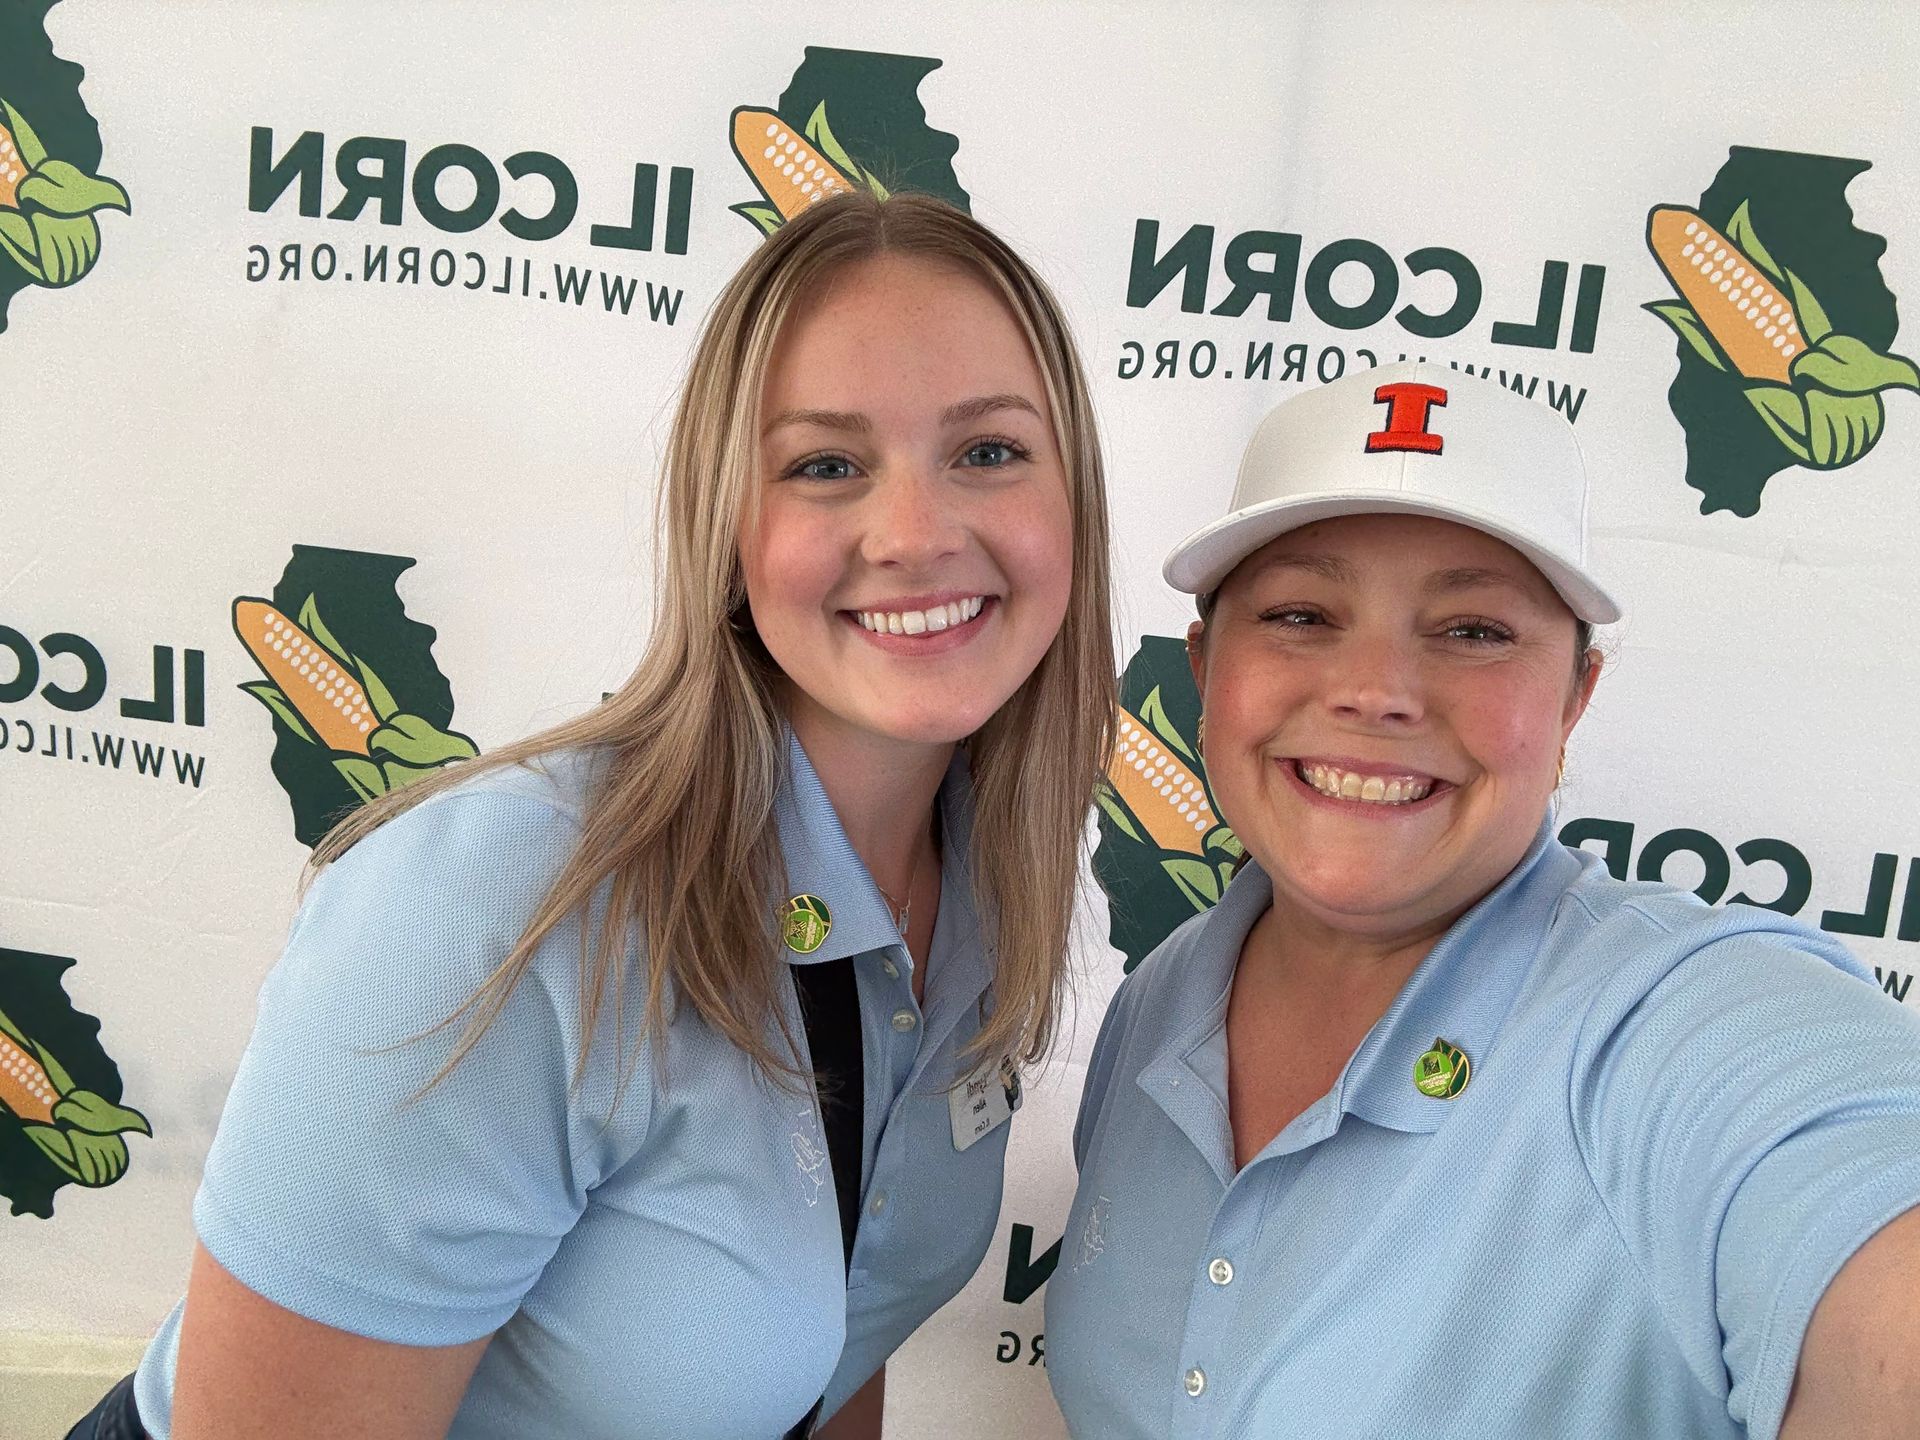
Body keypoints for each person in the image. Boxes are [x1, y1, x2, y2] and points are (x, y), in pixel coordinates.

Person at [71, 190, 1114, 1440]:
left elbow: (844, 1323)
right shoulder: (496, 910)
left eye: (988, 452)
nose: (915, 532)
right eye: (826, 465)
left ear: (1074, 502)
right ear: (727, 529)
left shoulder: (984, 885)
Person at [1046, 361, 1920, 1438]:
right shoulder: (1165, 998)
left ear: (1574, 698)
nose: (1375, 689)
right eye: (1302, 613)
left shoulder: (1670, 1024)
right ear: (1202, 664)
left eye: (1473, 631)